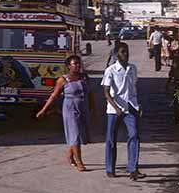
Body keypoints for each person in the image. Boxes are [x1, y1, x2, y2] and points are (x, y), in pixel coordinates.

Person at [36, 54, 95, 172]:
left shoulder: (84, 78)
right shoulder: (63, 80)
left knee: (82, 133)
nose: (78, 66)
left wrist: (93, 109)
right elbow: (54, 96)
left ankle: (70, 154)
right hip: (70, 109)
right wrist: (43, 110)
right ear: (69, 66)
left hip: (83, 107)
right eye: (75, 64)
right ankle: (79, 162)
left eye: (79, 63)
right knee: (75, 134)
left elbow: (90, 94)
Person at [101, 42, 144, 180]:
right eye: (122, 52)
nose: (125, 54)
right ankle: (110, 168)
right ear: (116, 54)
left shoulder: (132, 68)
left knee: (134, 135)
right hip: (115, 110)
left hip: (130, 107)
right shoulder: (111, 70)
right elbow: (106, 92)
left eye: (127, 51)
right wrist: (116, 107)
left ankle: (133, 169)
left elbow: (133, 88)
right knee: (111, 139)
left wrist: (138, 105)